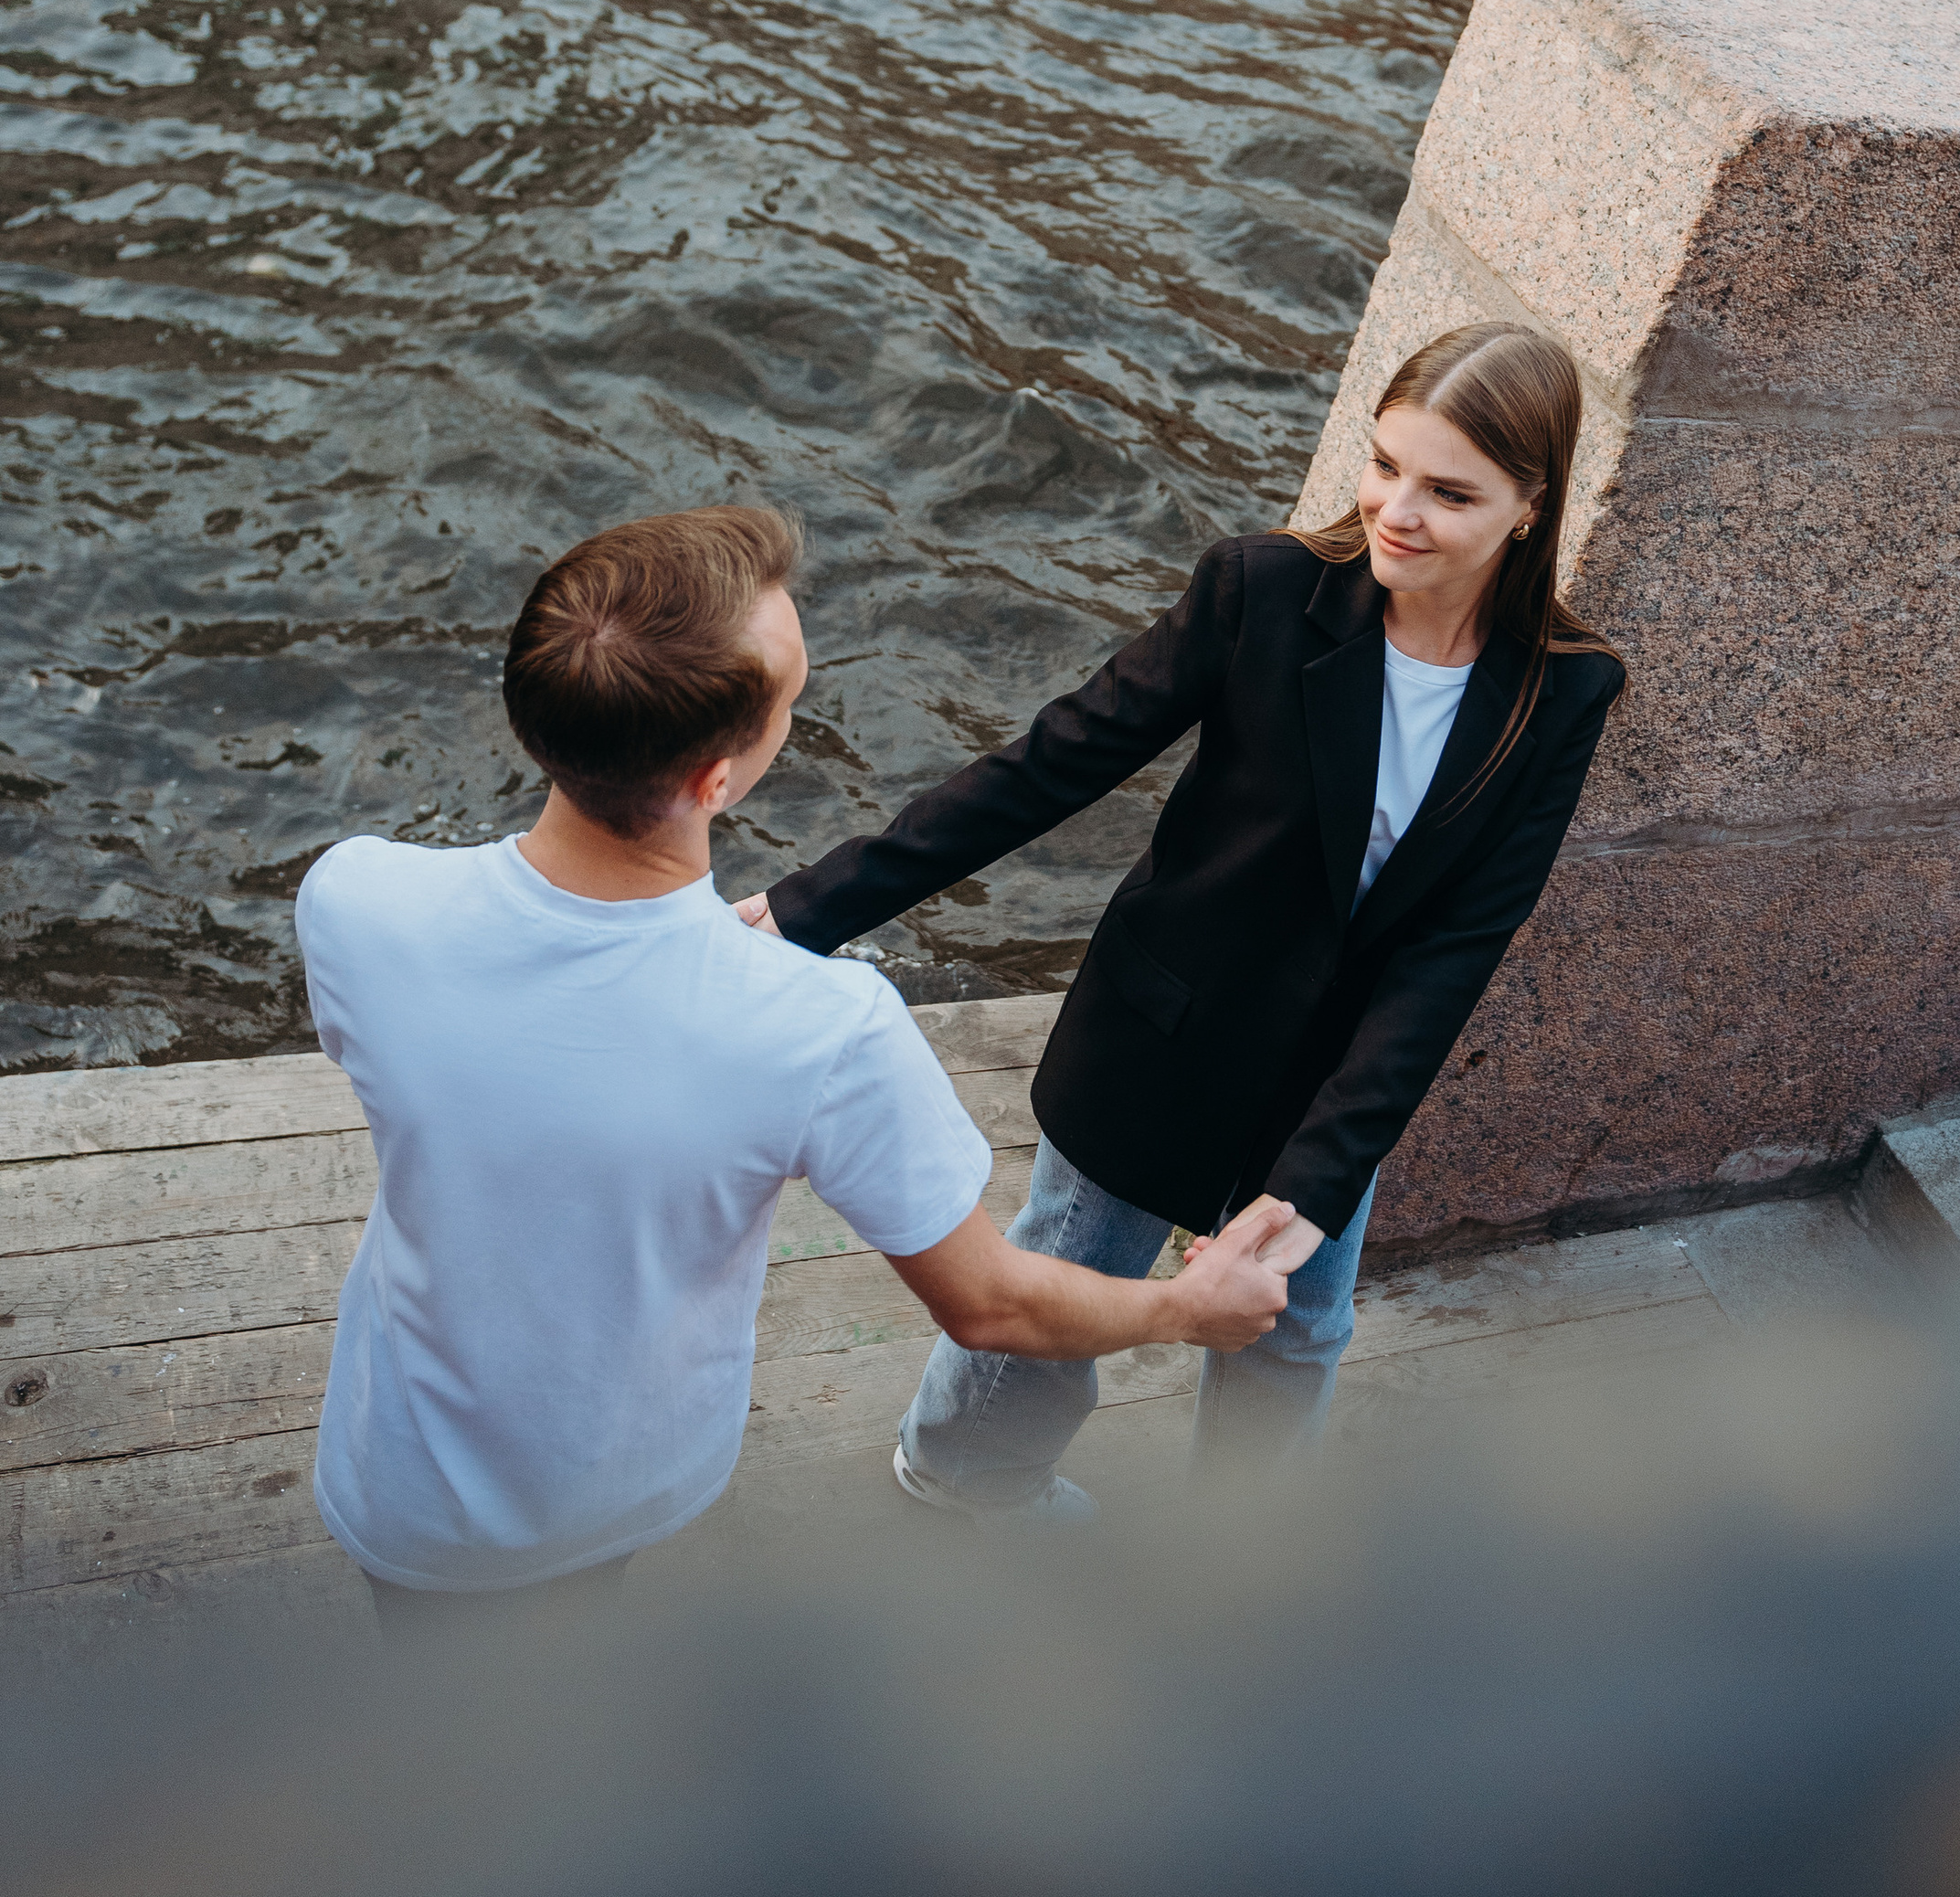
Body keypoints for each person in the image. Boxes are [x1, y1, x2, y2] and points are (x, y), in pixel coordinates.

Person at [297, 506, 1291, 1631]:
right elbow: (991, 1306)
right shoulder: (823, 1028)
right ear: (719, 778)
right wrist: (1186, 1308)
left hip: (395, 1469)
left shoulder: (357, 897)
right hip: (605, 1483)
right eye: (791, 706)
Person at [744, 324, 1626, 1523]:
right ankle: (957, 1474)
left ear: (1531, 504)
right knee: (1066, 1285)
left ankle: (1236, 1551)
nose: (1395, 510)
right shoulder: (1260, 593)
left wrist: (1317, 1177)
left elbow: (1455, 948)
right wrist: (807, 910)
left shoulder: (1562, 689)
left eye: (1448, 490)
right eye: (1384, 464)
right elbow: (1046, 766)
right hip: (1162, 1030)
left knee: (1299, 1323)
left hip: (1333, 1082)